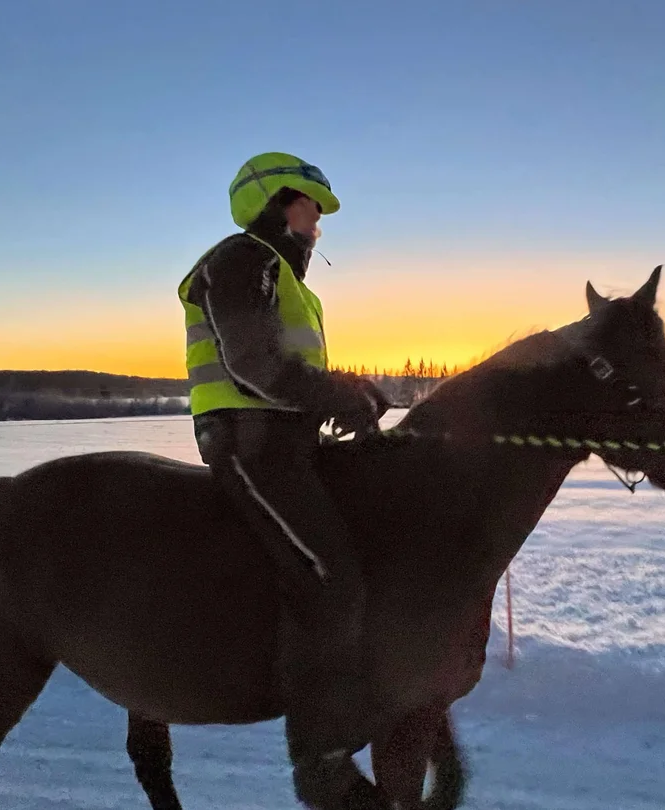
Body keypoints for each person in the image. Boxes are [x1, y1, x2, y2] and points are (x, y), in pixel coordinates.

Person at [177, 152, 390, 807]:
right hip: (247, 443)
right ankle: (321, 766)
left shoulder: (288, 279)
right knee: (330, 574)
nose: (320, 221)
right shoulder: (241, 260)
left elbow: (294, 376)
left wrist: (347, 398)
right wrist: (335, 396)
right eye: (312, 206)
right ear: (275, 200)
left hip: (286, 441)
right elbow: (254, 367)